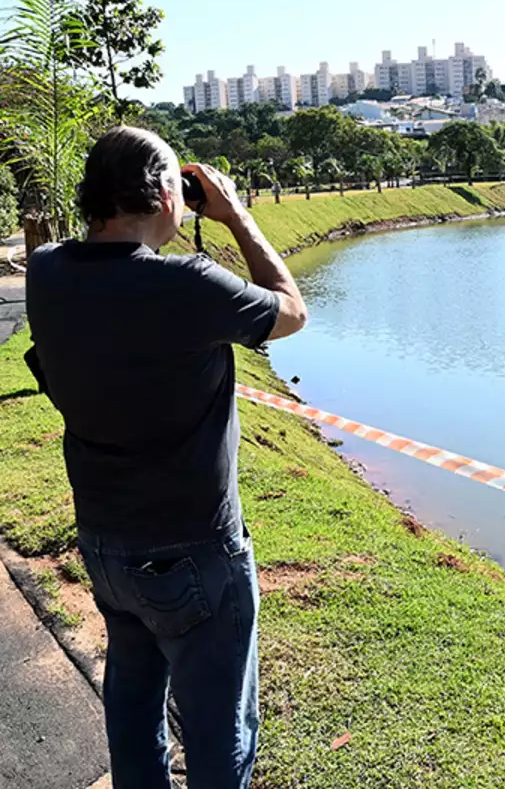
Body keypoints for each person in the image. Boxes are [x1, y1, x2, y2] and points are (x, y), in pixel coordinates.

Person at [24, 126, 307, 788]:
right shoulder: (187, 285)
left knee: (132, 711)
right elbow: (291, 312)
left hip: (104, 543)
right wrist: (233, 212)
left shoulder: (46, 272)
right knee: (217, 739)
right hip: (195, 552)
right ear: (160, 193)